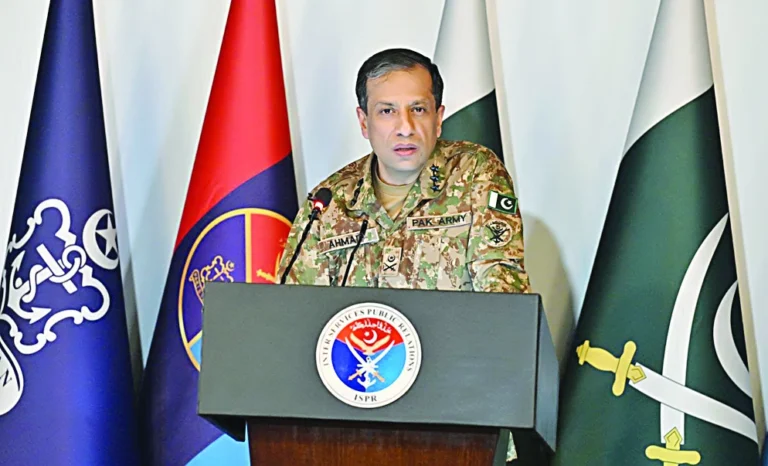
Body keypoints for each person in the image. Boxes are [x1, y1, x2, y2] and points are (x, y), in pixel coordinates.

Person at [277, 47, 530, 294]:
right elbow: (296, 305)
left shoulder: (474, 173)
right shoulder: (328, 201)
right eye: (387, 111)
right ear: (364, 122)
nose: (406, 128)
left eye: (418, 109)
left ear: (438, 119)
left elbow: (502, 296)